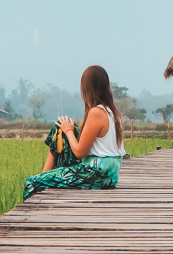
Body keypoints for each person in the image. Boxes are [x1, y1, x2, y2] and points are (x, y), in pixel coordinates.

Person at [23, 65, 125, 199]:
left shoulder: (96, 112)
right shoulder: (112, 112)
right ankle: (44, 178)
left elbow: (79, 153)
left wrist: (69, 130)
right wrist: (65, 130)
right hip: (109, 173)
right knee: (58, 130)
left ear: (87, 88)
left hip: (96, 174)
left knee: (31, 183)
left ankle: (40, 185)